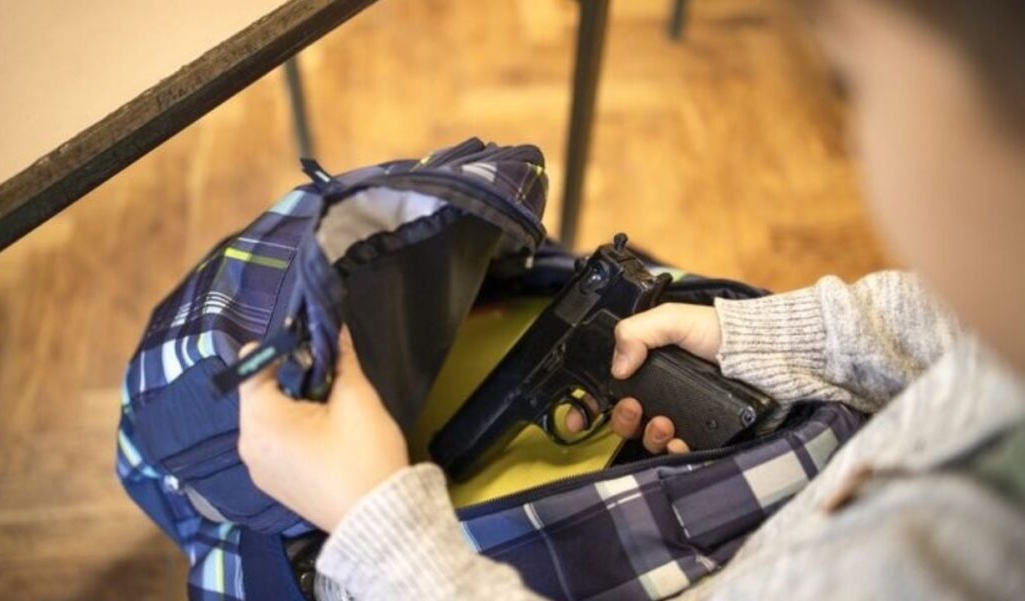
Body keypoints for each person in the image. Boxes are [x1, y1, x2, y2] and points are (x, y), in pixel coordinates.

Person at [236, 0, 1025, 598]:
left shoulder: (932, 564)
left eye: (852, 82)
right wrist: (739, 330)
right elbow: (942, 326)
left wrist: (378, 525)